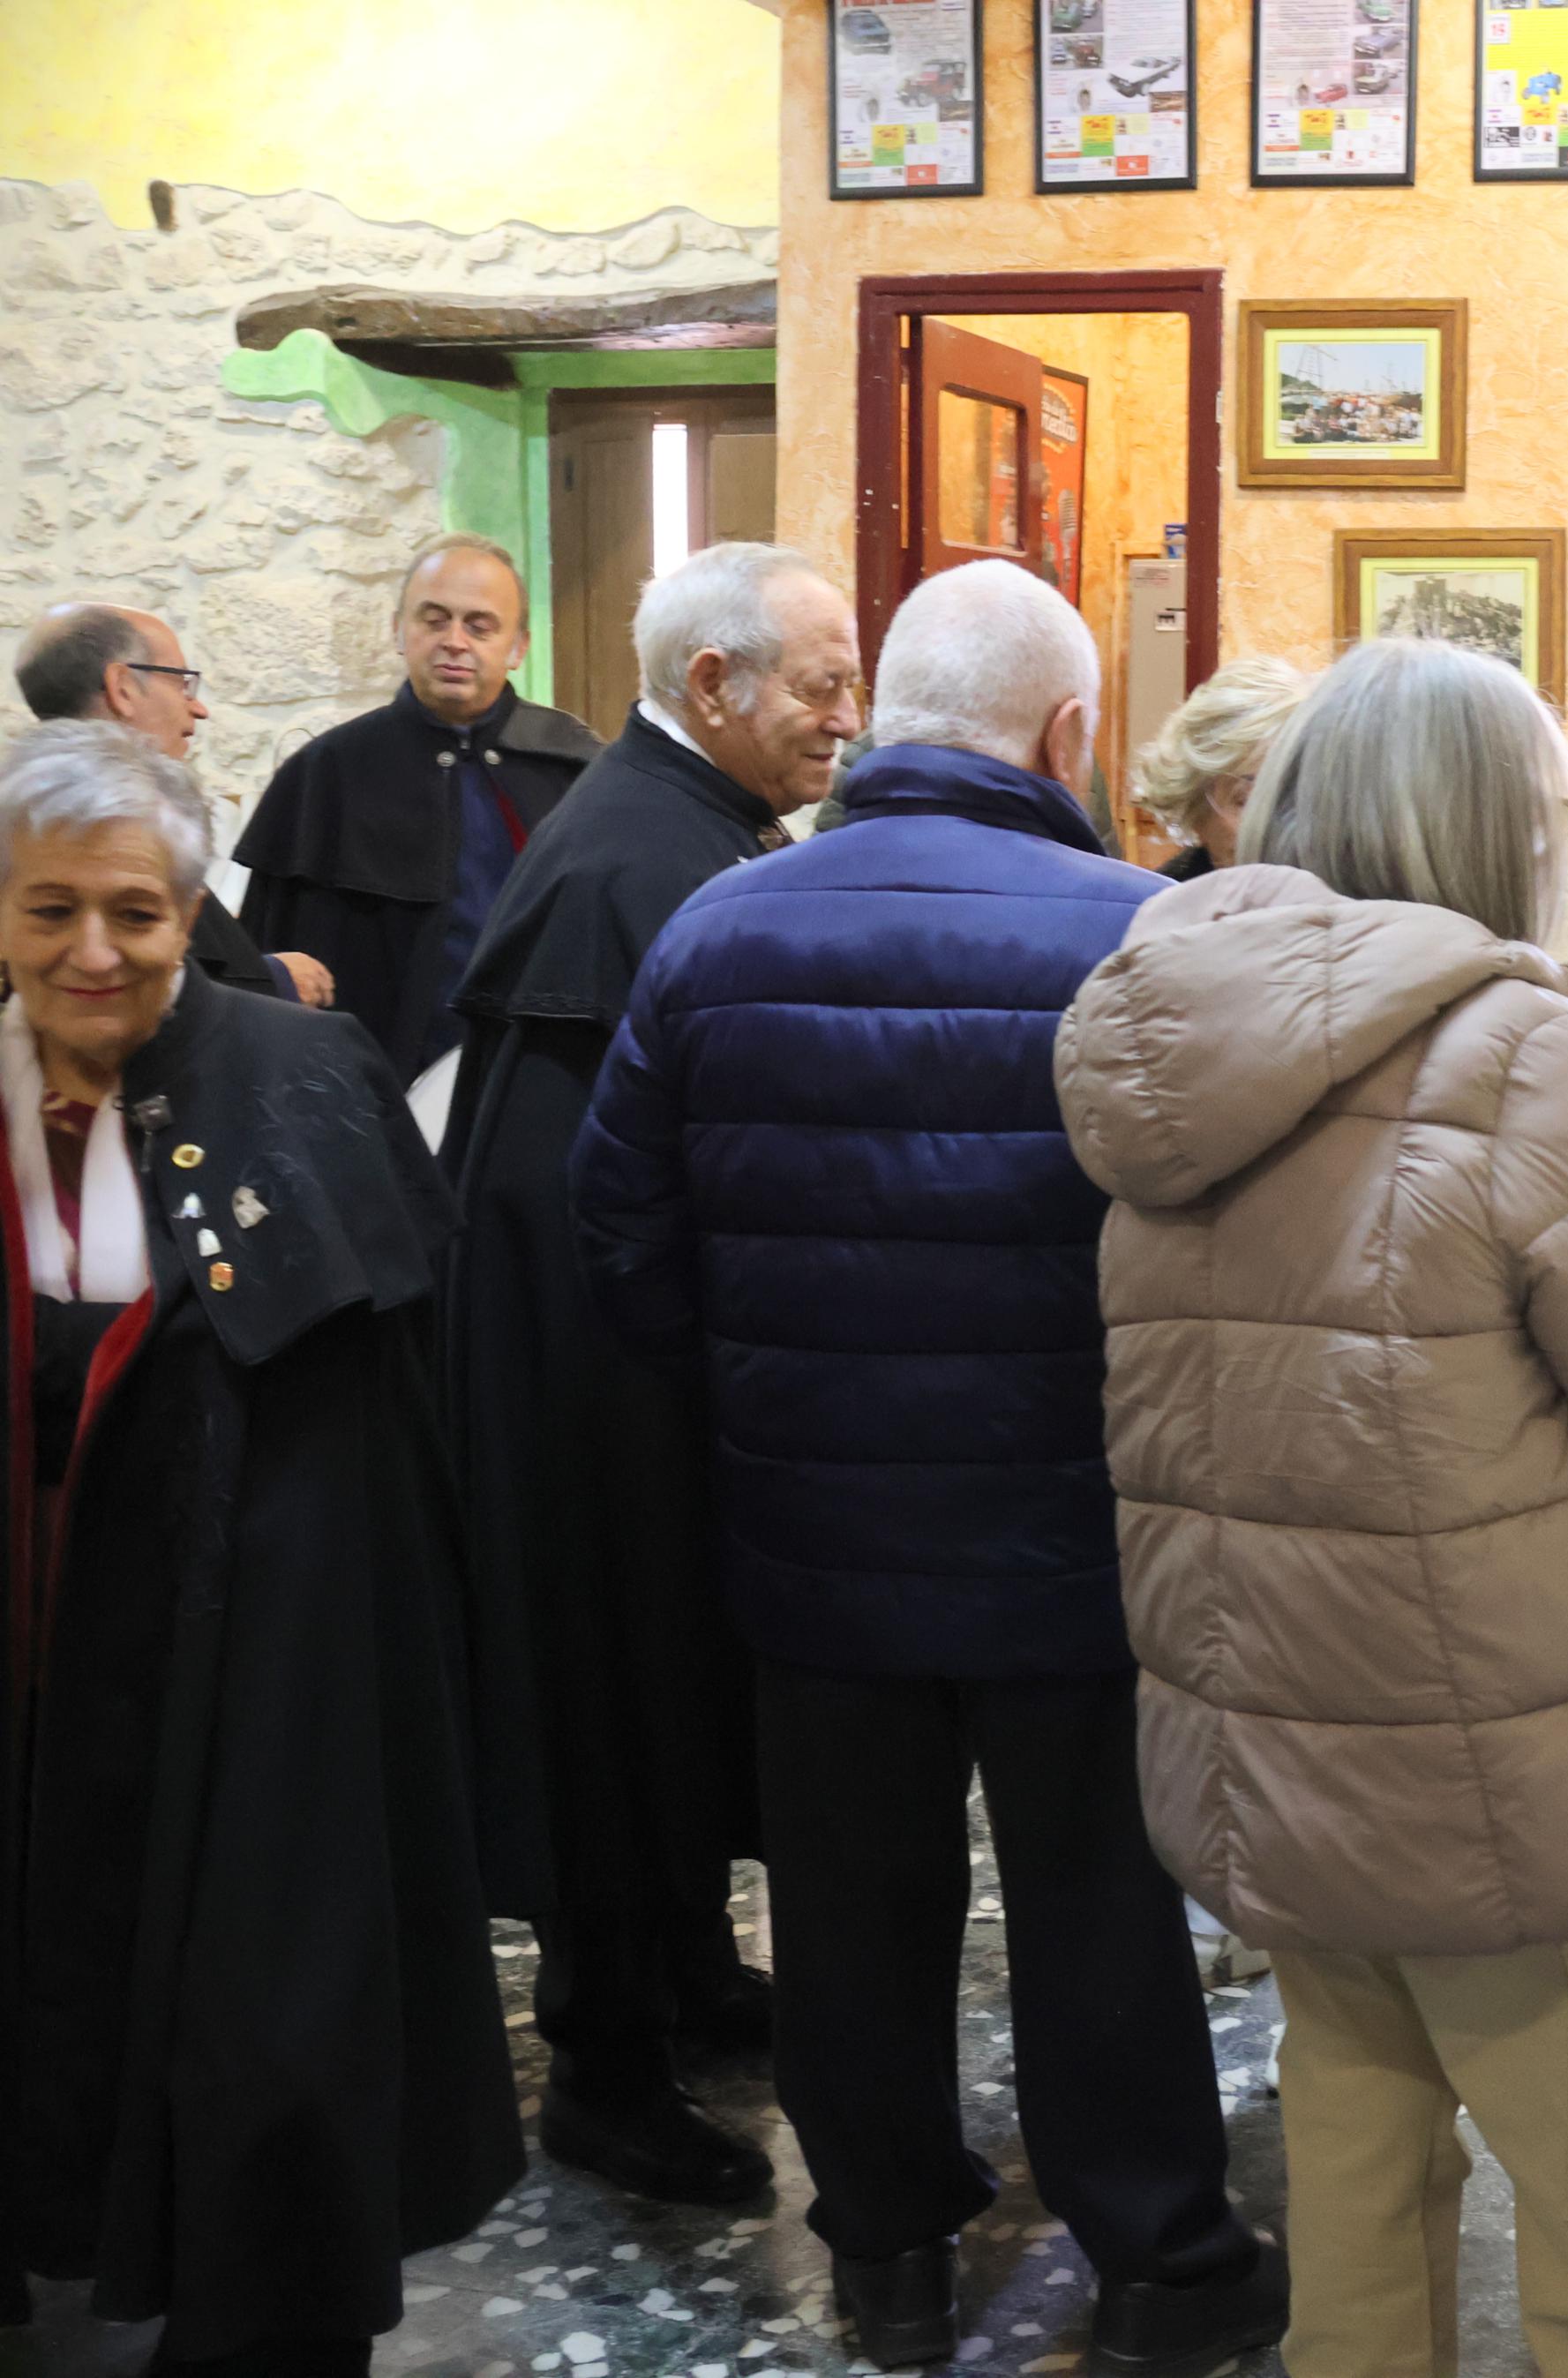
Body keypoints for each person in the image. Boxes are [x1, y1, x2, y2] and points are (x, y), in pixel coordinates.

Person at [1055, 637, 1568, 2378]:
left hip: (1290, 1776)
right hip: (1537, 1792)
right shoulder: (1524, 1067)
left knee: (1356, 2258)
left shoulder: (1175, 1056)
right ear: (1492, 832)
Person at [572, 563, 1281, 2371]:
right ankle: (1154, 2256)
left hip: (812, 1532)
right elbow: (1234, 1258)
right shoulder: (1141, 930)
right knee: (1099, 1904)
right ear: (1064, 733)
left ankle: (884, 2252)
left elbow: (621, 1237)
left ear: (880, 712)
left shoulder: (718, 932)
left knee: (848, 1906)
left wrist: (760, 1404)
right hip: (1076, 1532)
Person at [0, 723, 519, 2374]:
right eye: (48, 911)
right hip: (31, 1647)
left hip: (257, 1659)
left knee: (266, 2028)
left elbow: (391, 1429)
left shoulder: (307, 1078)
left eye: (136, 913)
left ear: (189, 908)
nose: (94, 951)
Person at [441, 540, 863, 2207]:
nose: (848, 718)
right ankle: (602, 2062)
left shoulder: (665, 829)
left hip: (611, 1361)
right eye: (822, 685)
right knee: (610, 1693)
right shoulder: (646, 860)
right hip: (593, 1392)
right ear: (714, 687)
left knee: (663, 1690)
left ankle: (684, 1971)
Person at [236, 534, 603, 1079]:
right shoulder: (325, 774)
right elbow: (265, 976)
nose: (454, 641)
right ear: (397, 631)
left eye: (480, 626)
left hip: (537, 1075)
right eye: (434, 620)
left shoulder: (575, 767)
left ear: (519, 646)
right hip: (369, 1082)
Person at [12, 601, 329, 1004]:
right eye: (182, 682)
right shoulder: (109, 829)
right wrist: (275, 982)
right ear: (122, 688)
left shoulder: (28, 816)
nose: (198, 708)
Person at [1133, 653, 1309, 882]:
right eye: (1247, 800)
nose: (1275, 828)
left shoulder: (1356, 905)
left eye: (1296, 799)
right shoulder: (1164, 912)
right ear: (1195, 811)